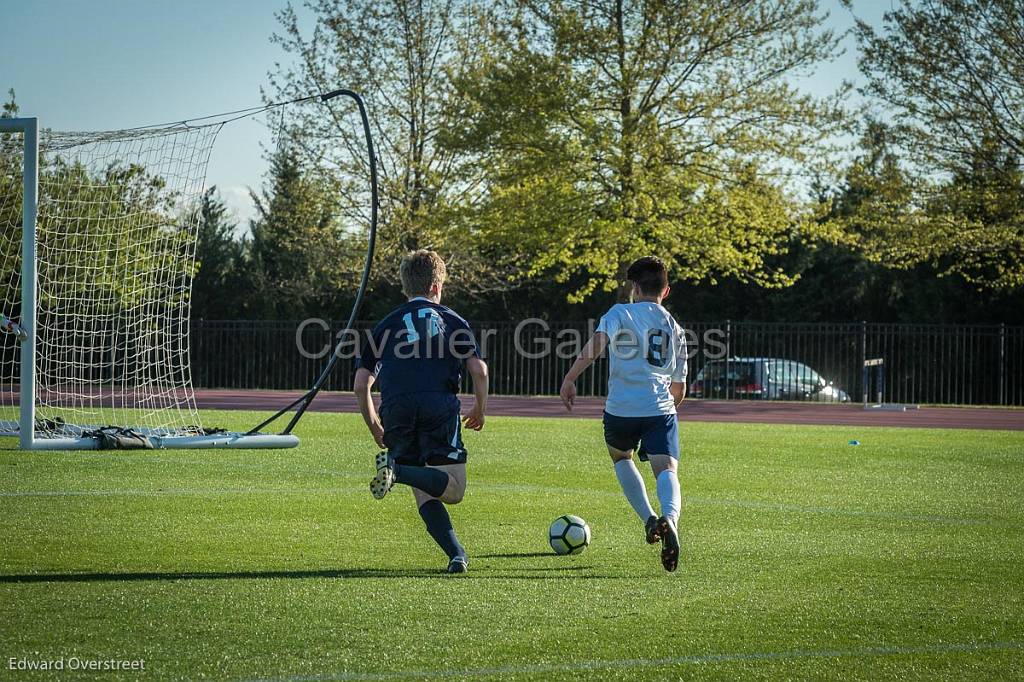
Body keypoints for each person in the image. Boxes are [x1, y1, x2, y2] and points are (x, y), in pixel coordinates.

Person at [354, 249, 488, 574]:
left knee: (423, 486)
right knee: (454, 491)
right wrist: (479, 408)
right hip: (437, 404)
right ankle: (397, 471)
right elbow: (479, 371)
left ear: (405, 288)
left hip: (396, 407)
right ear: (437, 287)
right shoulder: (451, 319)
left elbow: (361, 384)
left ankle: (457, 556)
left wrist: (374, 425)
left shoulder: (386, 324)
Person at [559, 256, 687, 572]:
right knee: (666, 470)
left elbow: (597, 344)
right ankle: (670, 518)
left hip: (621, 410)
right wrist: (663, 411)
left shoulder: (621, 312)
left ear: (633, 287)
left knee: (622, 458)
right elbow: (679, 388)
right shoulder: (676, 328)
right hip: (659, 408)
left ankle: (649, 519)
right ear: (666, 291)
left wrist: (570, 377)